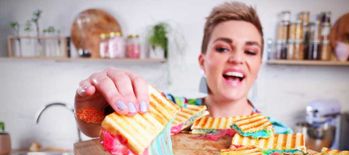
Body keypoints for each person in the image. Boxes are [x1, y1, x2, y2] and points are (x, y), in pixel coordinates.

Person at [75, 1, 286, 137]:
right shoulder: (168, 109)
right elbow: (97, 128)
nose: (237, 58)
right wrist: (93, 105)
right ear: (202, 61)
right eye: (223, 48)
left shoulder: (279, 134)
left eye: (250, 51)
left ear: (258, 67)